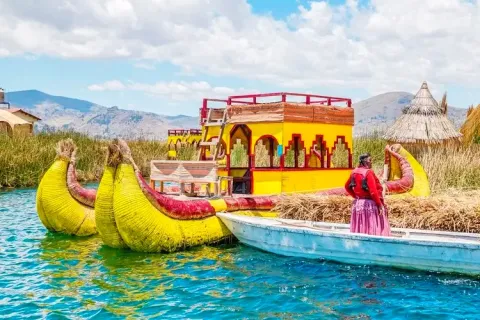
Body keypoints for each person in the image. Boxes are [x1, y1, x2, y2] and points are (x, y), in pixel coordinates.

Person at [344, 153, 391, 236]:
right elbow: (373, 191)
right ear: (365, 162)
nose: (371, 162)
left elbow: (347, 187)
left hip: (358, 204)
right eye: (370, 160)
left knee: (361, 226)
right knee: (372, 226)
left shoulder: (354, 172)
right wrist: (379, 205)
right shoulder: (368, 173)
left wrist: (356, 196)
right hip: (369, 204)